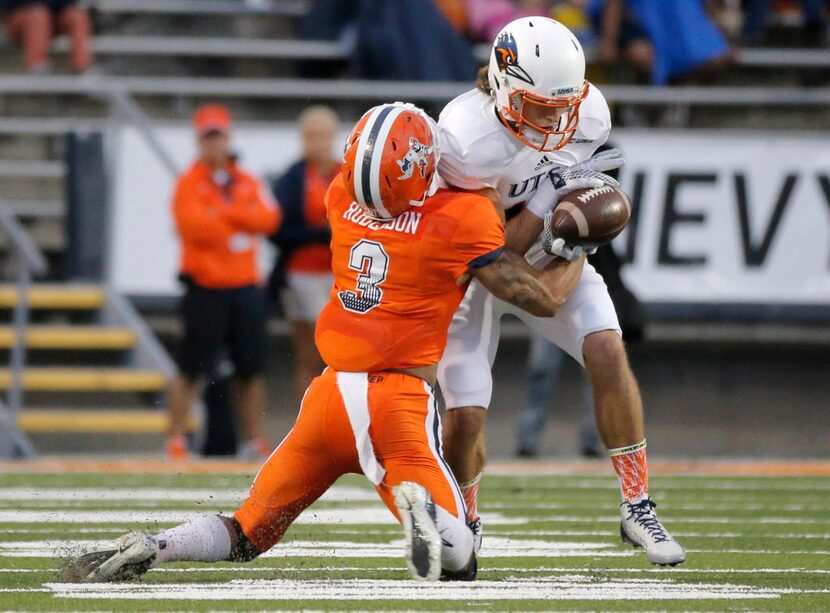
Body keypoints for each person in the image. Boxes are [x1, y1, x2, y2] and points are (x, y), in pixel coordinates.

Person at [68, 101, 587, 584]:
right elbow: (537, 297)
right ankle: (430, 517)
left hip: (329, 398)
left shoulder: (340, 195)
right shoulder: (460, 219)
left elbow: (397, 193)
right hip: (395, 404)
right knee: (462, 562)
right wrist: (576, 252)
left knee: (249, 532)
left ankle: (160, 545)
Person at [436, 16, 685, 565]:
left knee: (607, 348)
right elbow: (488, 247)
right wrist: (555, 231)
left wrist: (573, 233)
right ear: (502, 86)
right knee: (467, 413)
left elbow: (568, 212)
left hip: (549, 248)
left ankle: (636, 503)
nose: (554, 120)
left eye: (562, 106)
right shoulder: (464, 139)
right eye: (539, 106)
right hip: (474, 270)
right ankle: (467, 518)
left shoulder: (588, 111)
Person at [166, 104, 282, 462]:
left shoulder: (246, 180)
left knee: (250, 370)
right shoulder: (189, 182)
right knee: (191, 369)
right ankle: (175, 438)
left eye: (218, 136)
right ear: (199, 141)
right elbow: (194, 227)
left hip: (245, 288)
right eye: (207, 137)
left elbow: (269, 219)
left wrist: (227, 215)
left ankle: (254, 439)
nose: (214, 144)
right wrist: (238, 221)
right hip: (205, 287)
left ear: (228, 138)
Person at [269, 106, 340, 397]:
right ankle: (309, 414)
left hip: (340, 272)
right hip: (303, 272)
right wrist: (321, 234)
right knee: (311, 351)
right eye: (312, 136)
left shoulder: (344, 174)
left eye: (324, 136)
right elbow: (278, 229)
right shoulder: (293, 178)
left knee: (339, 351)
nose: (319, 143)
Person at [1, 0, 93, 73]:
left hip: (53, 19)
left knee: (77, 15)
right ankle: (37, 65)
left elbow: (69, 3)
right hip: (22, 20)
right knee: (38, 14)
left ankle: (83, 66)